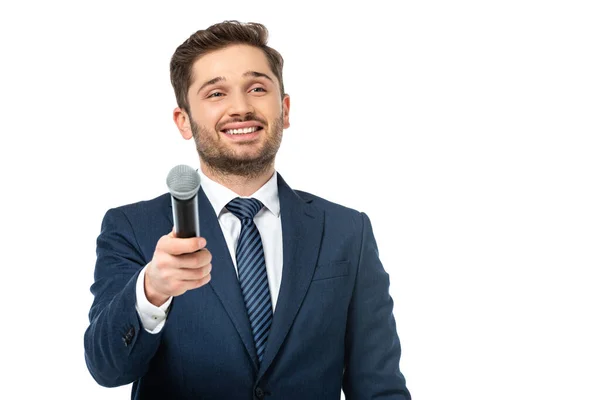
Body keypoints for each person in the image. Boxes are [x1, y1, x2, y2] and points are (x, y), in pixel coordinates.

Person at [84, 20, 411, 399]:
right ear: (184, 121)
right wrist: (152, 290)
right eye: (216, 93)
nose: (240, 108)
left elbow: (379, 386)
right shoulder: (132, 227)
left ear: (284, 110)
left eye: (257, 88)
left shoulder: (346, 230)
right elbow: (107, 369)